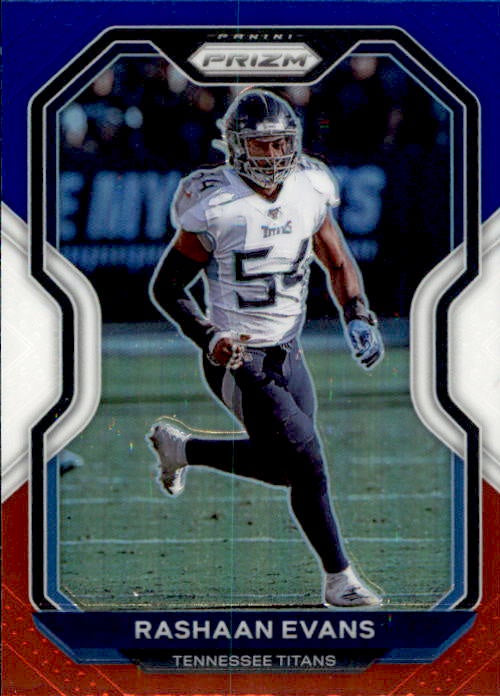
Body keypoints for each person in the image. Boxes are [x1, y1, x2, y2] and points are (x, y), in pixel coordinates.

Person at [147, 89, 384, 607]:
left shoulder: (310, 186)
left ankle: (184, 450)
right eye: (261, 144)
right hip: (239, 358)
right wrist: (209, 336)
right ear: (236, 146)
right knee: (309, 461)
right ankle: (340, 579)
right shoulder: (215, 202)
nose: (274, 155)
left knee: (286, 468)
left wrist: (356, 312)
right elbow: (167, 286)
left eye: (281, 143)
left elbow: (337, 260)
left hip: (288, 352)